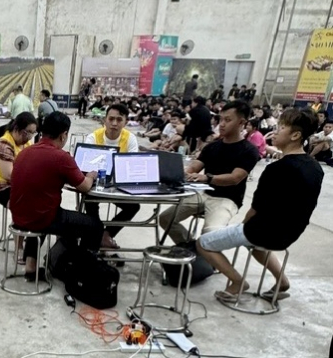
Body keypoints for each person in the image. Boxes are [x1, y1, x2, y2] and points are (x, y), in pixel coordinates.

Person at [196, 107, 322, 302]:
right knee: (255, 244)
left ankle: (237, 282)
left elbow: (255, 209)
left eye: (281, 128)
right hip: (290, 234)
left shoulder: (276, 169)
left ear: (295, 135)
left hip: (261, 232)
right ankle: (282, 281)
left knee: (203, 243)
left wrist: (241, 229)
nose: (274, 132)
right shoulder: (315, 168)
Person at [9, 111, 103, 280]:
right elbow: (84, 186)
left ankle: (31, 267)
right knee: (94, 225)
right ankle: (83, 270)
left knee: (41, 208)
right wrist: (91, 175)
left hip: (19, 215)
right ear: (63, 135)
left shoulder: (25, 152)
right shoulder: (61, 157)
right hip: (42, 218)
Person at [159, 100, 260, 244]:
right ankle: (190, 247)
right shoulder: (212, 146)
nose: (222, 124)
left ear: (241, 122)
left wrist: (207, 178)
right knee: (165, 218)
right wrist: (181, 172)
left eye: (228, 120)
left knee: (211, 234)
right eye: (221, 119)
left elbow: (235, 178)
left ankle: (202, 251)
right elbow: (194, 167)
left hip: (227, 199)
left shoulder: (249, 150)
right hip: (203, 194)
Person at [84, 104, 140, 253]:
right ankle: (95, 236)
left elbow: (132, 165)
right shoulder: (93, 137)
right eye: (111, 119)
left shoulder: (130, 139)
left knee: (133, 207)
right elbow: (86, 165)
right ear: (105, 120)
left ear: (125, 122)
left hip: (119, 187)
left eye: (119, 119)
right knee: (90, 201)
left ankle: (106, 235)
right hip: (95, 185)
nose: (114, 123)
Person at [0, 112, 37, 207]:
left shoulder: (26, 143)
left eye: (33, 133)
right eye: (27, 132)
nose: (30, 137)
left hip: (19, 182)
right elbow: (9, 175)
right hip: (2, 186)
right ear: (16, 128)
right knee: (31, 206)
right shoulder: (4, 145)